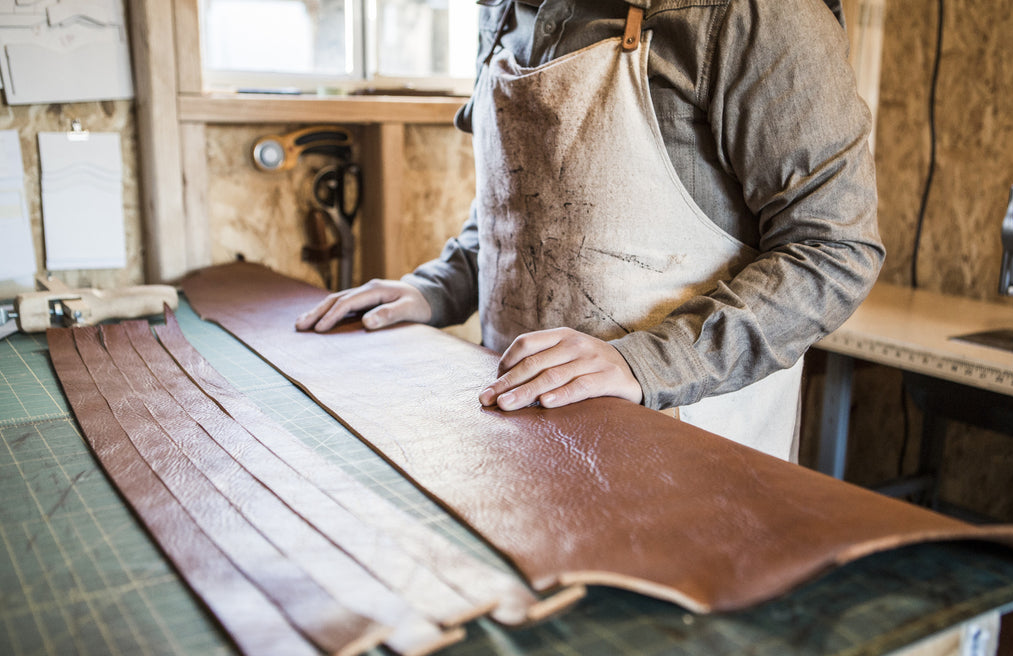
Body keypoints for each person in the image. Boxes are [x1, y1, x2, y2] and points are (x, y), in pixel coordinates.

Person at [296, 0, 883, 461]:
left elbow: (833, 249)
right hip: (519, 432)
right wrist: (435, 287)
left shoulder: (753, 13)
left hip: (684, 450)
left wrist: (645, 362)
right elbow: (529, 205)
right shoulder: (504, 12)